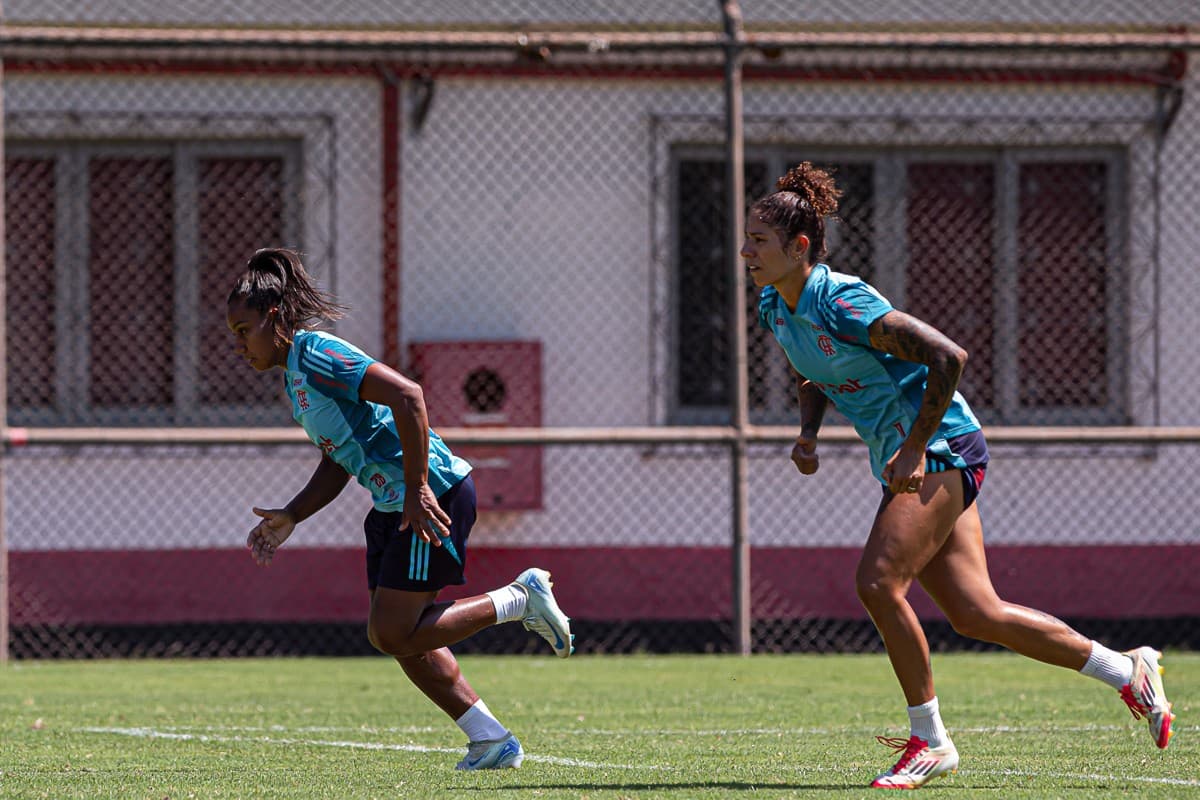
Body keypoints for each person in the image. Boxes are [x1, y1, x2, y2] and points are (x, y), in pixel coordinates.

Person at [740, 163, 1175, 789]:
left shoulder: (839, 301)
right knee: (976, 613)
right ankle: (1126, 670)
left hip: (943, 445)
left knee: (878, 583)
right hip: (912, 455)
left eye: (759, 240)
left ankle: (931, 740)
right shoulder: (773, 307)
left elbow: (949, 357)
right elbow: (817, 375)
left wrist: (915, 449)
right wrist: (808, 433)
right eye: (747, 238)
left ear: (799, 246)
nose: (746, 251)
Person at [226, 247, 574, 771]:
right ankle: (490, 740)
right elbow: (339, 459)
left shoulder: (317, 354)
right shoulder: (295, 380)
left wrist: (417, 488)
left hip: (431, 494)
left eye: (243, 330)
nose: (238, 345)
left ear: (274, 317)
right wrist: (292, 515)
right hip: (394, 504)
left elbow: (409, 397)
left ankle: (520, 599)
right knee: (400, 637)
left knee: (392, 631)